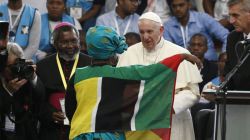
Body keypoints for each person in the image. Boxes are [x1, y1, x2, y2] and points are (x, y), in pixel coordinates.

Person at [65, 25, 202, 140]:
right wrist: (181, 57)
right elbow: (155, 71)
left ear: (90, 49)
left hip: (81, 135)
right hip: (113, 136)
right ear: (113, 52)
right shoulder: (125, 74)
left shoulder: (78, 75)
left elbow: (70, 110)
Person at [117, 12, 202, 140]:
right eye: (142, 32)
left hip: (173, 121)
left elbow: (192, 93)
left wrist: (166, 107)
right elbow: (120, 89)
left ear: (161, 30)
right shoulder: (128, 53)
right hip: (140, 121)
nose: (145, 37)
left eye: (150, 31)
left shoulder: (180, 53)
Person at [36, 22, 91, 140]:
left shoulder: (90, 64)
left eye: (74, 41)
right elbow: (37, 99)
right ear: (55, 44)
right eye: (64, 42)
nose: (70, 45)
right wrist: (50, 114)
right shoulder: (43, 66)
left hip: (83, 128)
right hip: (52, 129)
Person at [0, 42, 45, 140]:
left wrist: (33, 77)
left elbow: (41, 97)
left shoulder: (24, 75)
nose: (17, 69)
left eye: (18, 64)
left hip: (25, 132)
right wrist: (8, 91)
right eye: (12, 66)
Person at [163, 0, 229, 61]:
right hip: (184, 66)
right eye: (174, 6)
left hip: (209, 63)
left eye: (181, 5)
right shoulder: (167, 26)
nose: (178, 9)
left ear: (189, 5)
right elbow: (168, 50)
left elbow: (226, 35)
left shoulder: (202, 18)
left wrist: (224, 53)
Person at [224, 0, 250, 90]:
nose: (231, 21)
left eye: (235, 15)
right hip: (238, 99)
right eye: (230, 16)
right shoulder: (232, 37)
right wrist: (220, 89)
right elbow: (229, 71)